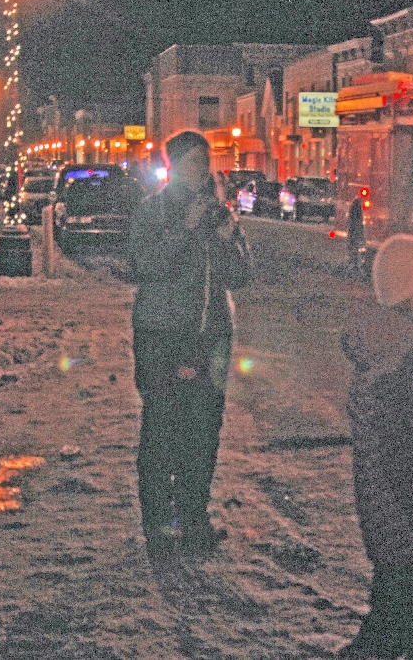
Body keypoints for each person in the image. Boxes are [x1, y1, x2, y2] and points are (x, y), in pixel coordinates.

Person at [128, 130, 252, 560]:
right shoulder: (155, 210)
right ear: (176, 165)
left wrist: (226, 236)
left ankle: (195, 519)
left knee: (202, 433)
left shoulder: (219, 214)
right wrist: (185, 229)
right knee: (162, 431)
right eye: (195, 161)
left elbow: (241, 276)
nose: (204, 168)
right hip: (162, 335)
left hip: (210, 337)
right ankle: (160, 526)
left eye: (207, 160)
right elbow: (145, 266)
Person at [337, 233, 413, 660]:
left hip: (396, 509)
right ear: (410, 294)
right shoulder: (405, 362)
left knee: (397, 604)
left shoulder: (397, 351)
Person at [347, 197, 366, 278]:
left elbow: (351, 223)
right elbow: (359, 223)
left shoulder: (352, 211)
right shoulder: (358, 212)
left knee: (352, 249)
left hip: (352, 233)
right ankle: (355, 266)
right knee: (355, 249)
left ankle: (352, 264)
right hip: (355, 233)